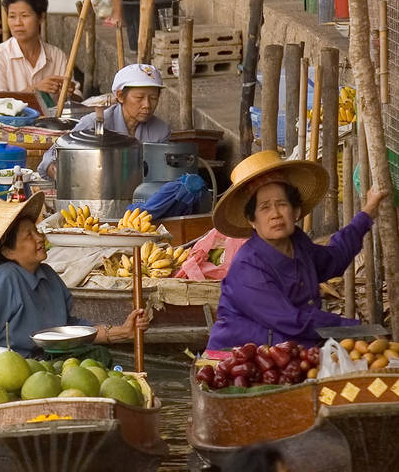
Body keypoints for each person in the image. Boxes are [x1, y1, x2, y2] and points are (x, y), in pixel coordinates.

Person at [0, 193, 149, 387]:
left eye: (36, 231)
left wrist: (120, 332)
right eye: (29, 236)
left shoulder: (48, 276)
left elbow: (66, 328)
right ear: (8, 252)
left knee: (99, 357)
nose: (39, 238)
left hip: (44, 368)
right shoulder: (2, 282)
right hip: (8, 373)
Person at [207, 150, 391, 350]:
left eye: (281, 204)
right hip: (237, 357)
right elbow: (291, 320)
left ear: (295, 212)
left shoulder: (298, 243)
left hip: (289, 349)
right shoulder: (247, 267)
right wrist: (355, 330)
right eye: (265, 208)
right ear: (252, 220)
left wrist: (367, 213)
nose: (275, 214)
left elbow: (334, 258)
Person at [38, 63, 170, 178]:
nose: (147, 104)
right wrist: (63, 176)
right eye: (139, 97)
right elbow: (50, 159)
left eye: (153, 98)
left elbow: (159, 173)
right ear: (120, 96)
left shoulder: (160, 131)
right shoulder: (92, 124)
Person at [0, 0, 70, 98]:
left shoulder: (57, 56)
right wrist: (35, 89)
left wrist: (68, 92)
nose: (18, 23)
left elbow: (76, 100)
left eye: (24, 16)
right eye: (12, 16)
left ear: (41, 18)